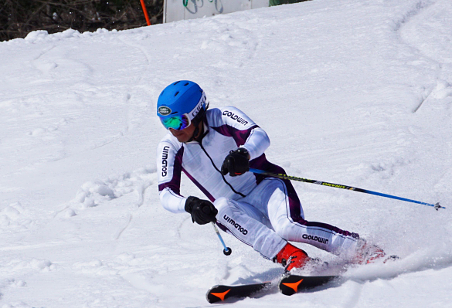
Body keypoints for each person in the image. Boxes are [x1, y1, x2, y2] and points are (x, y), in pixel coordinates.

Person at [155, 80, 385, 271]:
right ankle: (296, 259)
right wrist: (190, 204)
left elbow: (259, 135)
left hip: (266, 186)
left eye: (178, 121)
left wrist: (244, 153)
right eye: (166, 122)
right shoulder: (171, 147)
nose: (174, 129)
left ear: (196, 113)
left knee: (289, 227)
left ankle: (361, 250)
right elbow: (166, 194)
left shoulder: (221, 117)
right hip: (239, 208)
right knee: (221, 208)